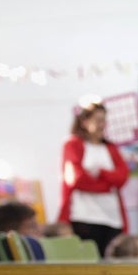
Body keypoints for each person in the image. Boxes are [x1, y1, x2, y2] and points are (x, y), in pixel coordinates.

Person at [57, 101, 129, 255]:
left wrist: (101, 173)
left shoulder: (111, 148)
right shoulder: (73, 144)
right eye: (98, 120)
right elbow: (76, 178)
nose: (102, 125)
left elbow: (122, 177)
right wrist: (107, 185)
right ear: (84, 121)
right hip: (83, 218)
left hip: (112, 218)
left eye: (104, 120)